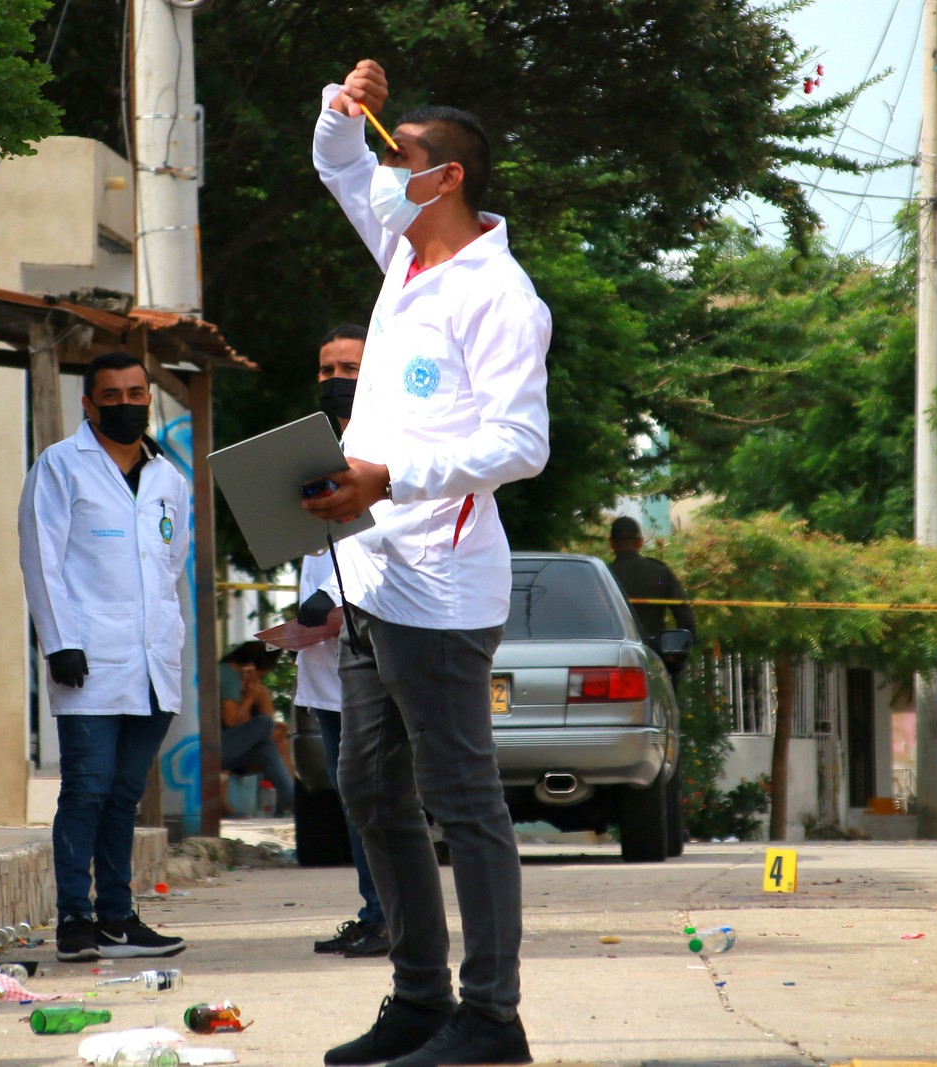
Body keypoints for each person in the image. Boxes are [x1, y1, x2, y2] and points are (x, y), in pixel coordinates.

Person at [301, 59, 551, 1067]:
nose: (379, 165)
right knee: (366, 786)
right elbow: (333, 164)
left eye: (396, 151)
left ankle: (491, 1018)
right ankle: (417, 997)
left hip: (440, 585)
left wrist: (390, 474)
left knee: (461, 798)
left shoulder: (500, 293)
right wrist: (340, 102)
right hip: (370, 571)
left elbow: (521, 443)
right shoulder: (401, 250)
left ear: (443, 177)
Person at [18, 351, 190, 963]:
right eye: (110, 396)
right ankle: (75, 917)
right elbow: (42, 557)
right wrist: (60, 639)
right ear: (88, 404)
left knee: (124, 795)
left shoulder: (170, 478)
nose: (126, 405)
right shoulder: (60, 467)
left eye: (136, 393)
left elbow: (169, 571)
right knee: (86, 789)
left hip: (152, 665)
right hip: (86, 658)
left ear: (150, 399)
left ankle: (119, 917)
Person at [298, 323, 387, 959]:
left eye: (348, 368)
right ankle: (372, 910)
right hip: (323, 655)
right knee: (351, 797)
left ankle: (392, 916)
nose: (336, 379)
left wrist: (335, 600)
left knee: (378, 793)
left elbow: (394, 544)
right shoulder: (307, 452)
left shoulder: (391, 446)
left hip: (373, 648)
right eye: (327, 369)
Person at [607, 516, 696, 681]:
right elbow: (686, 618)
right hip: (656, 660)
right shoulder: (660, 572)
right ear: (640, 542)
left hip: (614, 661)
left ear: (612, 543)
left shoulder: (604, 576)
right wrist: (676, 659)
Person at [217, 641, 296, 815]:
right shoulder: (229, 675)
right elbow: (231, 721)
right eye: (260, 675)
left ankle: (300, 807)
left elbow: (242, 722)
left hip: (228, 749)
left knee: (267, 749)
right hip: (215, 749)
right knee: (265, 724)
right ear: (250, 667)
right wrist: (251, 698)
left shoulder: (235, 679)